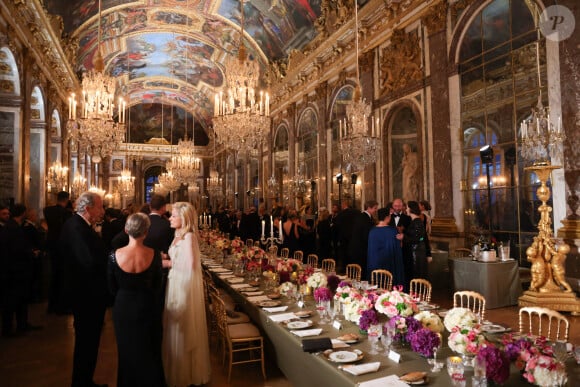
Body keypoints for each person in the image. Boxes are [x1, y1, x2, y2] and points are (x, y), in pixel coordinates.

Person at [108, 213, 164, 387]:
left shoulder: (113, 255)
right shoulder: (154, 255)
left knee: (126, 351)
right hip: (147, 305)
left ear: (126, 230)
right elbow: (157, 285)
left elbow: (111, 287)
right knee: (151, 350)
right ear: (146, 232)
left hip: (123, 306)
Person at [59, 191, 108, 387]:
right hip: (86, 295)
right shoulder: (77, 228)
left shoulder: (79, 225)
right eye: (100, 207)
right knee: (87, 342)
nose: (103, 211)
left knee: (88, 342)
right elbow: (88, 261)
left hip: (87, 293)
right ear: (88, 209)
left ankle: (85, 380)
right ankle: (82, 382)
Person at [163, 202, 210, 386]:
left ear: (184, 218)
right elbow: (178, 257)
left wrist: (168, 264)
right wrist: (166, 258)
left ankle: (187, 373)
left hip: (184, 284)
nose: (170, 218)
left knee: (184, 324)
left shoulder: (189, 236)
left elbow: (190, 265)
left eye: (174, 216)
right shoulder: (177, 234)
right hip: (174, 281)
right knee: (174, 323)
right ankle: (176, 368)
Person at [0, 204, 39, 337]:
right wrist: (30, 253)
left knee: (20, 299)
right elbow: (16, 249)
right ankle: (8, 329)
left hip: (15, 269)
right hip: (15, 270)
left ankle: (22, 324)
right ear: (22, 213)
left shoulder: (12, 226)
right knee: (12, 301)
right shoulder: (13, 228)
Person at [43, 191, 73, 314]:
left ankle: (51, 306)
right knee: (62, 277)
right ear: (67, 199)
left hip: (51, 244)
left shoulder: (48, 210)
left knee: (54, 276)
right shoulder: (66, 213)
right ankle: (61, 307)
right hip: (62, 246)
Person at [366, 207, 405, 286]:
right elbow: (399, 247)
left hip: (375, 263)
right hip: (389, 263)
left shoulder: (372, 231)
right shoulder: (392, 231)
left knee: (376, 282)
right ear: (387, 217)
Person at [402, 201, 432, 286]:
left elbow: (420, 238)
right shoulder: (414, 221)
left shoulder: (417, 222)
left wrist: (403, 237)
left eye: (407, 207)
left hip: (417, 254)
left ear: (411, 209)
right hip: (415, 252)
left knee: (417, 276)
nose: (406, 209)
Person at [348, 200, 379, 280]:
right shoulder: (364, 218)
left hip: (358, 248)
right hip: (360, 249)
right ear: (369, 208)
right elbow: (366, 236)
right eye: (375, 208)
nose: (376, 210)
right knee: (361, 273)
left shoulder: (363, 217)